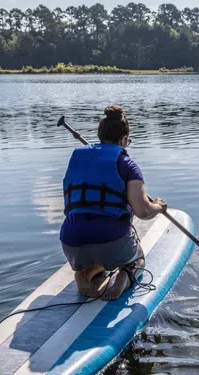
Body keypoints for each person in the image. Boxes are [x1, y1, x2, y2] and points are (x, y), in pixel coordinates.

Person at [60, 106, 167, 300]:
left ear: (100, 135)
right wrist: (159, 207)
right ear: (124, 139)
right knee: (138, 258)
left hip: (71, 241)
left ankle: (83, 273)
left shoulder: (77, 159)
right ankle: (123, 278)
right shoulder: (128, 166)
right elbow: (142, 211)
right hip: (112, 240)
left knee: (98, 254)